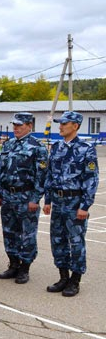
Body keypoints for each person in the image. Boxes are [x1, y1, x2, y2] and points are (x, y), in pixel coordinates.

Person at [43, 111, 99, 297]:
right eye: (60, 123)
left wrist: (85, 206)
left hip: (75, 203)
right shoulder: (57, 147)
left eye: (64, 123)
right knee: (57, 240)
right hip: (58, 202)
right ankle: (63, 276)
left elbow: (91, 179)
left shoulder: (86, 149)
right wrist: (48, 200)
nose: (60, 126)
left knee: (75, 242)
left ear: (75, 126)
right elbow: (50, 175)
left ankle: (75, 280)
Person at [0, 112, 48, 284]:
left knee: (27, 235)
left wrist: (35, 198)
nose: (15, 128)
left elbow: (42, 175)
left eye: (20, 125)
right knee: (9, 232)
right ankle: (13, 264)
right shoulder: (8, 145)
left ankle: (24, 268)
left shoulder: (37, 147)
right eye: (14, 125)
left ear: (29, 126)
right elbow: (1, 171)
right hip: (8, 196)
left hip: (26, 198)